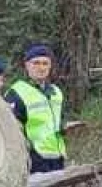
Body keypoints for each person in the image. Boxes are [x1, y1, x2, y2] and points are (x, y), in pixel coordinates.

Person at [4, 45, 68, 174]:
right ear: (27, 66)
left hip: (57, 156)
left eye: (45, 63)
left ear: (50, 66)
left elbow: (58, 121)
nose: (41, 67)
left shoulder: (56, 92)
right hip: (34, 160)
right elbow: (10, 129)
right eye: (36, 63)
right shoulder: (16, 92)